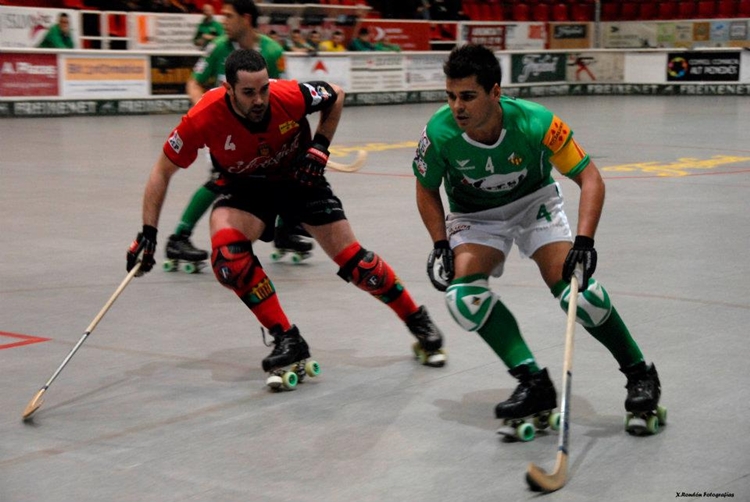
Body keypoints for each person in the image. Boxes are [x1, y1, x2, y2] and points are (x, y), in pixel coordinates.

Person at [126, 49, 446, 387]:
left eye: (263, 88)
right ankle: (287, 338)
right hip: (247, 190)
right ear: (228, 88)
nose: (260, 99)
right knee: (228, 259)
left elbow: (336, 95)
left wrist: (320, 146)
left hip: (301, 180)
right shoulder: (203, 116)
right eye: (249, 92)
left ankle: (416, 317)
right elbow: (162, 171)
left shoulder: (288, 96)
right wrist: (148, 232)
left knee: (357, 264)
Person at [413, 44, 662, 431]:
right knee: (463, 298)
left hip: (534, 204)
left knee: (581, 295)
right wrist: (440, 242)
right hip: (476, 216)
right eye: (450, 96)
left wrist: (584, 241)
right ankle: (533, 382)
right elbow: (425, 188)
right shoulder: (439, 132)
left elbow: (590, 177)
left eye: (467, 96)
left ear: (495, 92)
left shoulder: (536, 122)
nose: (457, 107)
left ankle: (639, 372)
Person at [169, 0, 310, 270]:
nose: (223, 21)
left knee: (284, 172)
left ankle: (283, 232)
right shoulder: (217, 47)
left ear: (246, 18)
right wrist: (204, 113)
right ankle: (178, 238)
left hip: (261, 129)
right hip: (225, 131)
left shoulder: (273, 51)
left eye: (228, 16)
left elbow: (284, 94)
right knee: (221, 179)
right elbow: (194, 82)